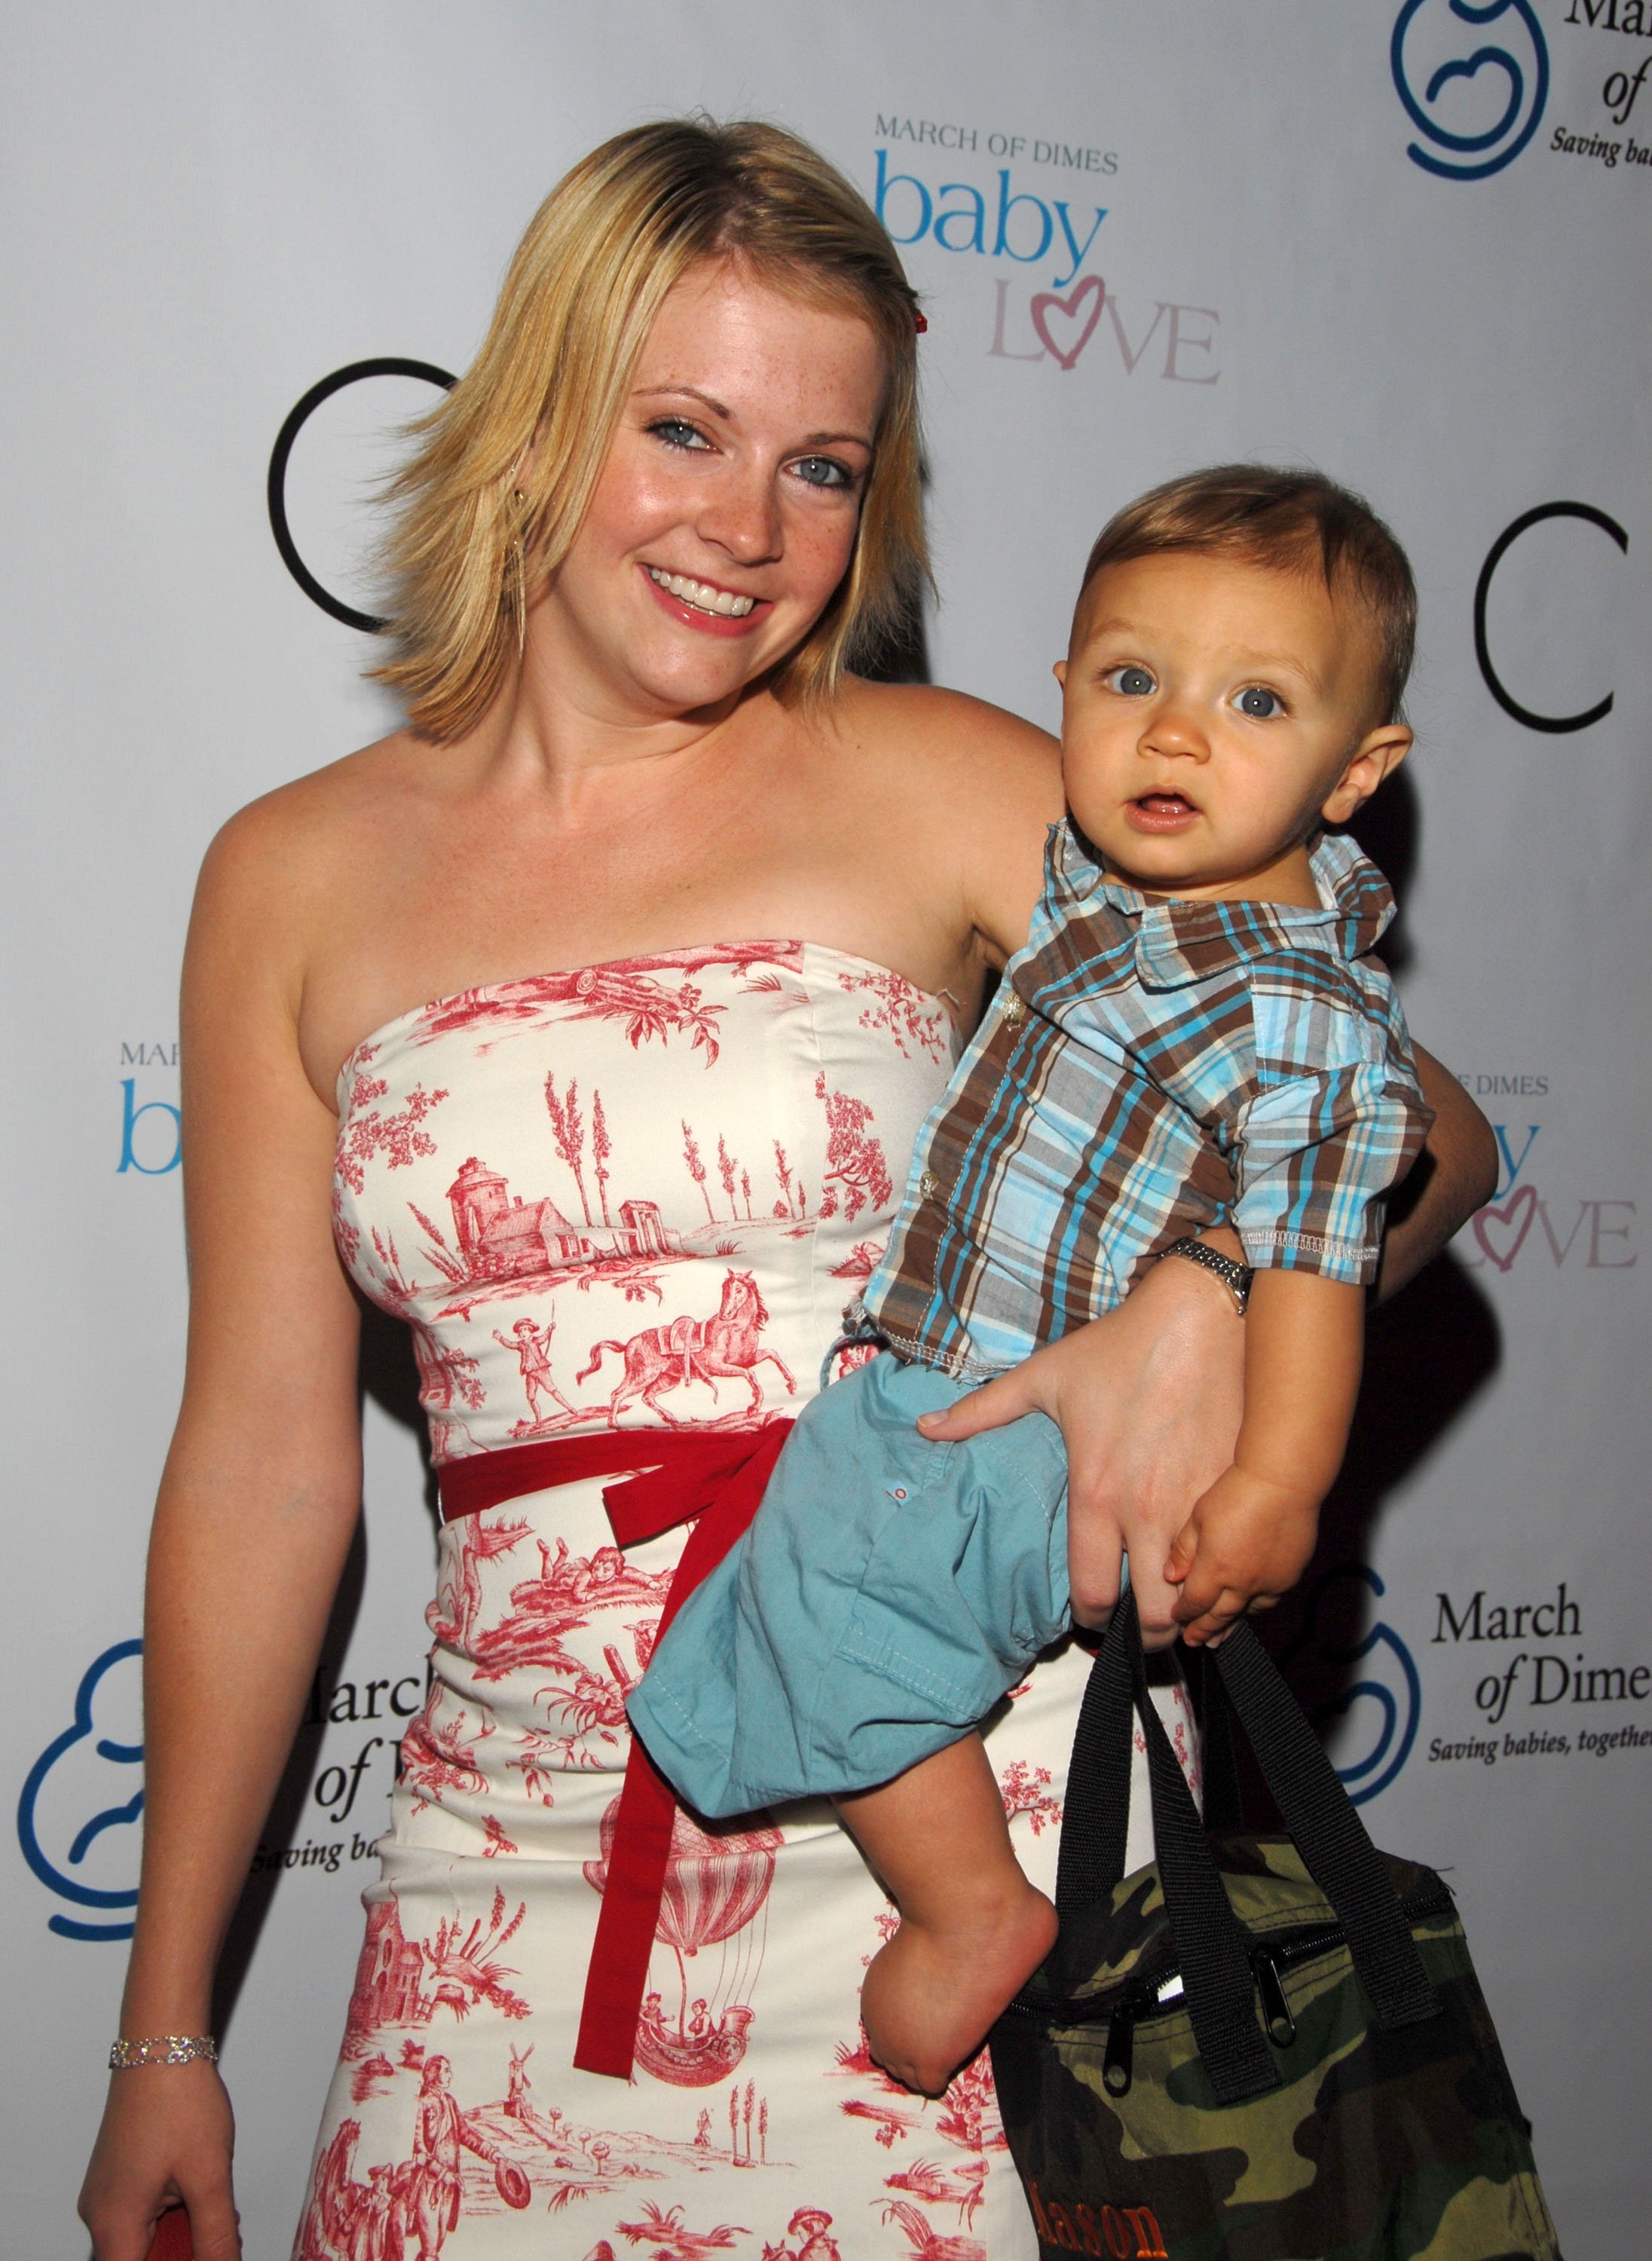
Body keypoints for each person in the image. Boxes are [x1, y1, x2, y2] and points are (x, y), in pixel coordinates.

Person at [77, 123, 1494, 2261]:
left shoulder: (945, 781)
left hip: (982, 1826)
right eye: (683, 431)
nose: (749, 530)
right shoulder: (288, 875)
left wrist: (1210, 1298)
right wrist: (164, 2035)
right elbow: (272, 1472)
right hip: (513, 1868)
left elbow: (1423, 1120)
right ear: (544, 415)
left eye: (824, 468)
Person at [631, 464, 1439, 2095]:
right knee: (781, 1616)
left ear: (1357, 772)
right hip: (939, 1366)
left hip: (1027, 1416)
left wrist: (1279, 1481)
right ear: (1060, 689)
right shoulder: (1094, 889)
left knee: (840, 1604)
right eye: (1130, 681)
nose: (1175, 734)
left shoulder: (1305, 1021)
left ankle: (966, 1913)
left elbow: (1311, 1262)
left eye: (1256, 700)